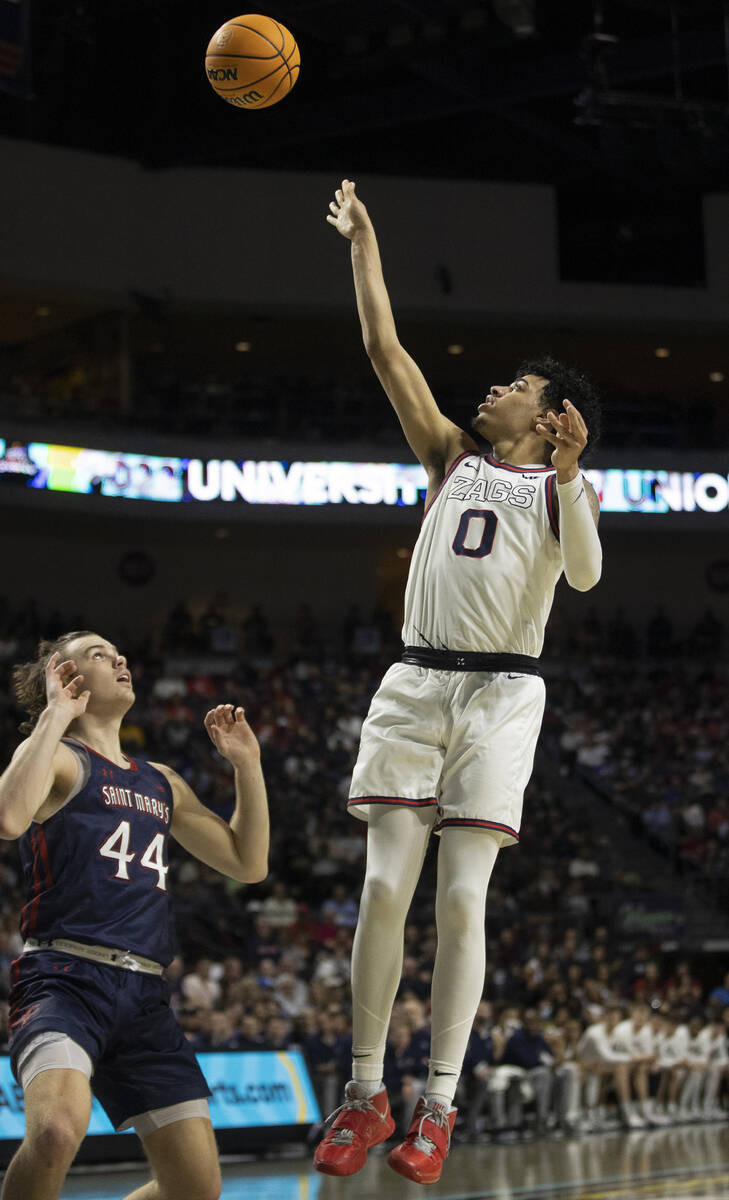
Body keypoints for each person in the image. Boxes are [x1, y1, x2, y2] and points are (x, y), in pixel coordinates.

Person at [314, 179, 603, 1185]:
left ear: (553, 414)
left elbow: (586, 574)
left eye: (513, 387)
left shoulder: (563, 487)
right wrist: (365, 245)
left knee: (462, 902)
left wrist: (570, 477)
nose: (492, 392)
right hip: (415, 683)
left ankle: (437, 1104)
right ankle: (363, 1094)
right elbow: (383, 349)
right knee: (385, 885)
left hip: (502, 695)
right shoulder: (448, 454)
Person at [0, 630, 269, 1200]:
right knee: (54, 1131)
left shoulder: (161, 781)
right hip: (65, 978)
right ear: (65, 676)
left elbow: (249, 863)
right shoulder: (58, 759)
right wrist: (54, 714)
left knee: (195, 1189)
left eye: (119, 653)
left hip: (145, 993)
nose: (119, 659)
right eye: (98, 654)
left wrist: (247, 765)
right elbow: (7, 817)